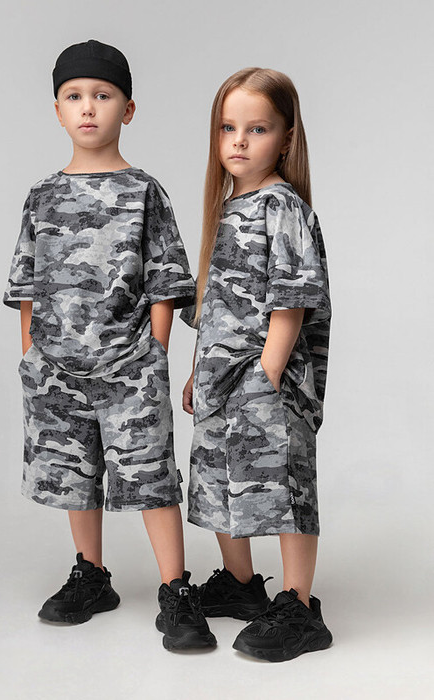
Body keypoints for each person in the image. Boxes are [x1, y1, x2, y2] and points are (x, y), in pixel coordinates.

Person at [2, 39, 216, 651]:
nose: (88, 107)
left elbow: (166, 281)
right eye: (74, 96)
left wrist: (155, 352)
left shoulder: (144, 191)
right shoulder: (42, 196)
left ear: (128, 109)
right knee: (75, 474)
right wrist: (31, 355)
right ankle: (91, 575)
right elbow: (27, 284)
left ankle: (176, 589)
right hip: (55, 369)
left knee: (151, 477)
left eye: (102, 95)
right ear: (58, 111)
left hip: (129, 366)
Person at [180, 67, 334, 662]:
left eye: (257, 129)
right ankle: (242, 584)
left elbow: (291, 301)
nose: (239, 141)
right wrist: (199, 370)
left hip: (266, 381)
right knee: (220, 479)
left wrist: (267, 375)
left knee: (285, 487)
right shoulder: (225, 208)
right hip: (221, 380)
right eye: (228, 128)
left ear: (286, 139)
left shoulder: (282, 207)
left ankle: (299, 605)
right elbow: (216, 309)